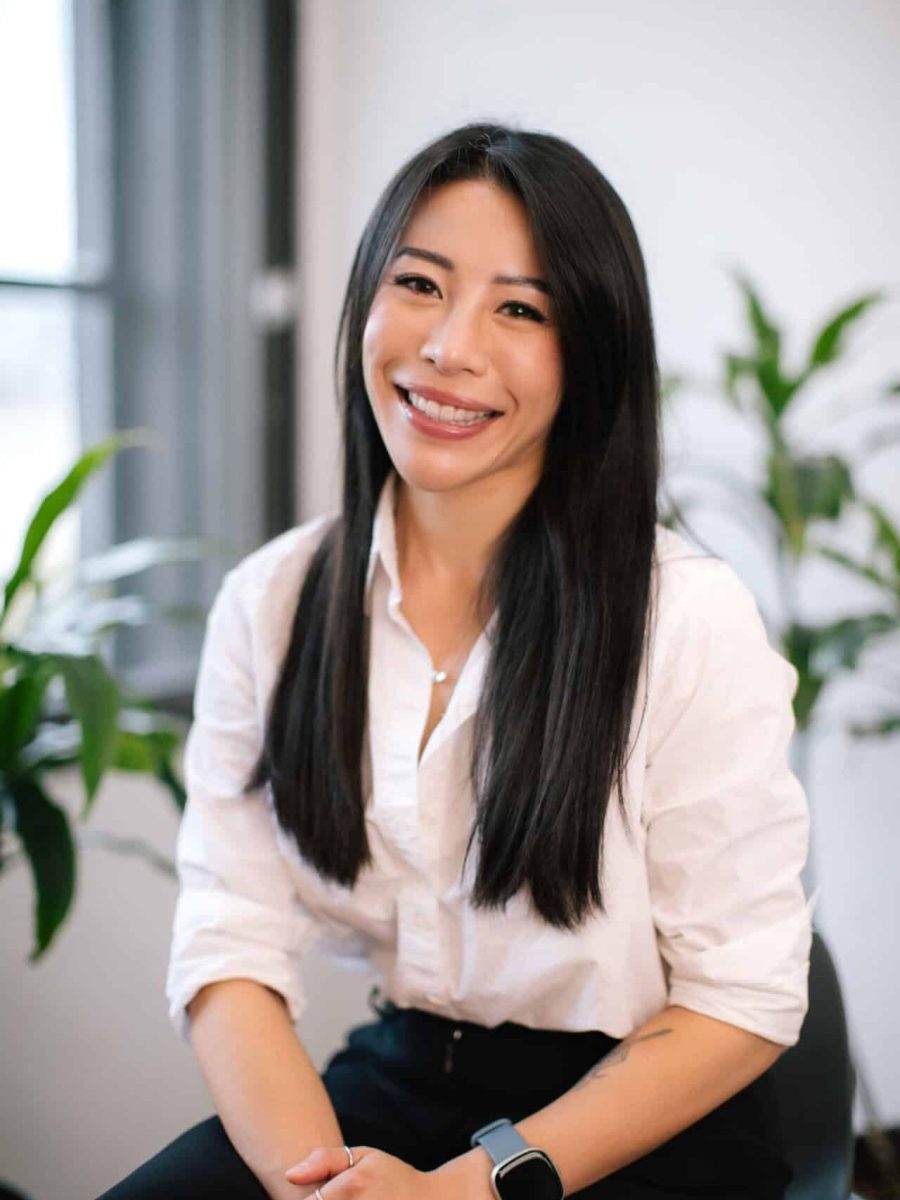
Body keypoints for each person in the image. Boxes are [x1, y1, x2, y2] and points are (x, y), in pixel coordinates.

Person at [97, 122, 814, 1200]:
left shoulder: (687, 619)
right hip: (403, 1078)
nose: (449, 347)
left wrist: (463, 1191)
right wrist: (314, 1183)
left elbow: (742, 1000)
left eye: (521, 308)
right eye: (421, 284)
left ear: (591, 357)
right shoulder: (274, 603)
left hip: (641, 1120)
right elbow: (229, 945)